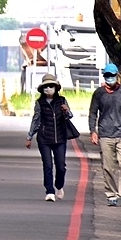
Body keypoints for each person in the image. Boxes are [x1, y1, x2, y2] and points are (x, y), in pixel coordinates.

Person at [88, 63, 121, 206]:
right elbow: (93, 113)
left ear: (117, 76)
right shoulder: (99, 93)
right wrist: (92, 131)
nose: (109, 78)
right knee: (108, 166)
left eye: (112, 75)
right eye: (107, 76)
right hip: (105, 134)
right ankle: (111, 194)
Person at [25, 74, 73, 202]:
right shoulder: (40, 103)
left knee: (61, 166)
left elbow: (70, 116)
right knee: (47, 166)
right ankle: (49, 191)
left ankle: (59, 186)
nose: (48, 89)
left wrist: (66, 110)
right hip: (44, 139)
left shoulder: (62, 100)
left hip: (60, 138)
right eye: (45, 87)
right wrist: (29, 136)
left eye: (51, 86)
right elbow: (36, 120)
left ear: (56, 88)